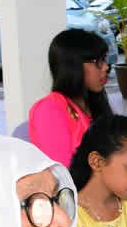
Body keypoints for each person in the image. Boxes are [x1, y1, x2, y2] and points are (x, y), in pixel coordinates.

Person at [29, 29, 113, 167]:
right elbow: (65, 174)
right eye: (97, 61)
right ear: (72, 65)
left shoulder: (95, 103)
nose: (105, 67)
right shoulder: (50, 109)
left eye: (104, 59)